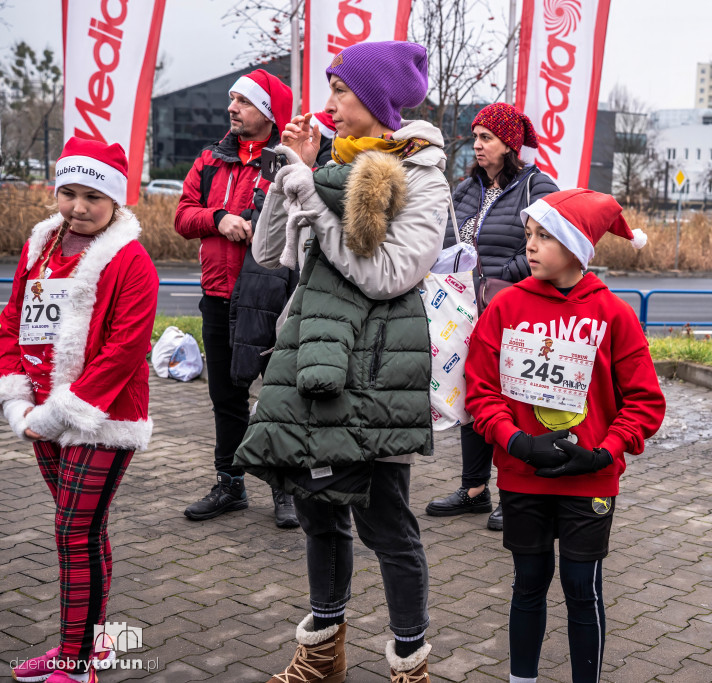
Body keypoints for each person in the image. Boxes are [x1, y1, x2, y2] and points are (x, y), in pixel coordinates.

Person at [235, 41, 450, 683]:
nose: (328, 105)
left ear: (379, 101)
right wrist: (291, 174)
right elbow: (272, 255)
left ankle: (408, 661)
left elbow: (386, 275)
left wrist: (310, 195)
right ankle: (322, 656)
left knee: (386, 521)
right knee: (318, 510)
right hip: (311, 361)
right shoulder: (330, 165)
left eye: (342, 92)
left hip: (379, 372)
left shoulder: (422, 177)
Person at [465, 189, 666, 683]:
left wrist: (604, 452)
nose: (530, 247)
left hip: (589, 482)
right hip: (522, 475)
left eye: (544, 237)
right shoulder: (505, 307)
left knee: (582, 588)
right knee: (528, 584)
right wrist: (516, 442)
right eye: (528, 235)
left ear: (576, 247)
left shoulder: (613, 314)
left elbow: (645, 402)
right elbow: (480, 390)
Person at [2, 139, 159, 683]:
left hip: (101, 418)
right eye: (68, 192)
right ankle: (88, 646)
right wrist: (17, 398)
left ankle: (74, 663)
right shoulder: (41, 245)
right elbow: (12, 322)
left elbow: (125, 349)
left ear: (115, 200)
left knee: (73, 531)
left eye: (93, 196)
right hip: (39, 411)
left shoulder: (131, 260)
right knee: (84, 532)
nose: (77, 207)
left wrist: (60, 412)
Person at [174, 68, 299, 528]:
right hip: (217, 296)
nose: (232, 108)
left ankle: (286, 488)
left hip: (268, 299)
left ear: (266, 113)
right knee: (226, 398)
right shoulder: (210, 159)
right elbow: (183, 216)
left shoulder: (285, 163)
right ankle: (230, 484)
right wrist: (219, 217)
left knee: (278, 397)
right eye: (231, 99)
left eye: (243, 102)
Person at [425, 102, 558, 531]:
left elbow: (548, 244)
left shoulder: (537, 187)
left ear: (510, 144)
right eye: (476, 136)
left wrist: (499, 278)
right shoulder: (464, 191)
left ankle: (514, 494)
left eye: (487, 138)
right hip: (463, 310)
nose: (477, 145)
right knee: (473, 393)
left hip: (516, 307)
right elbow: (445, 241)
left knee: (514, 399)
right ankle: (475, 490)